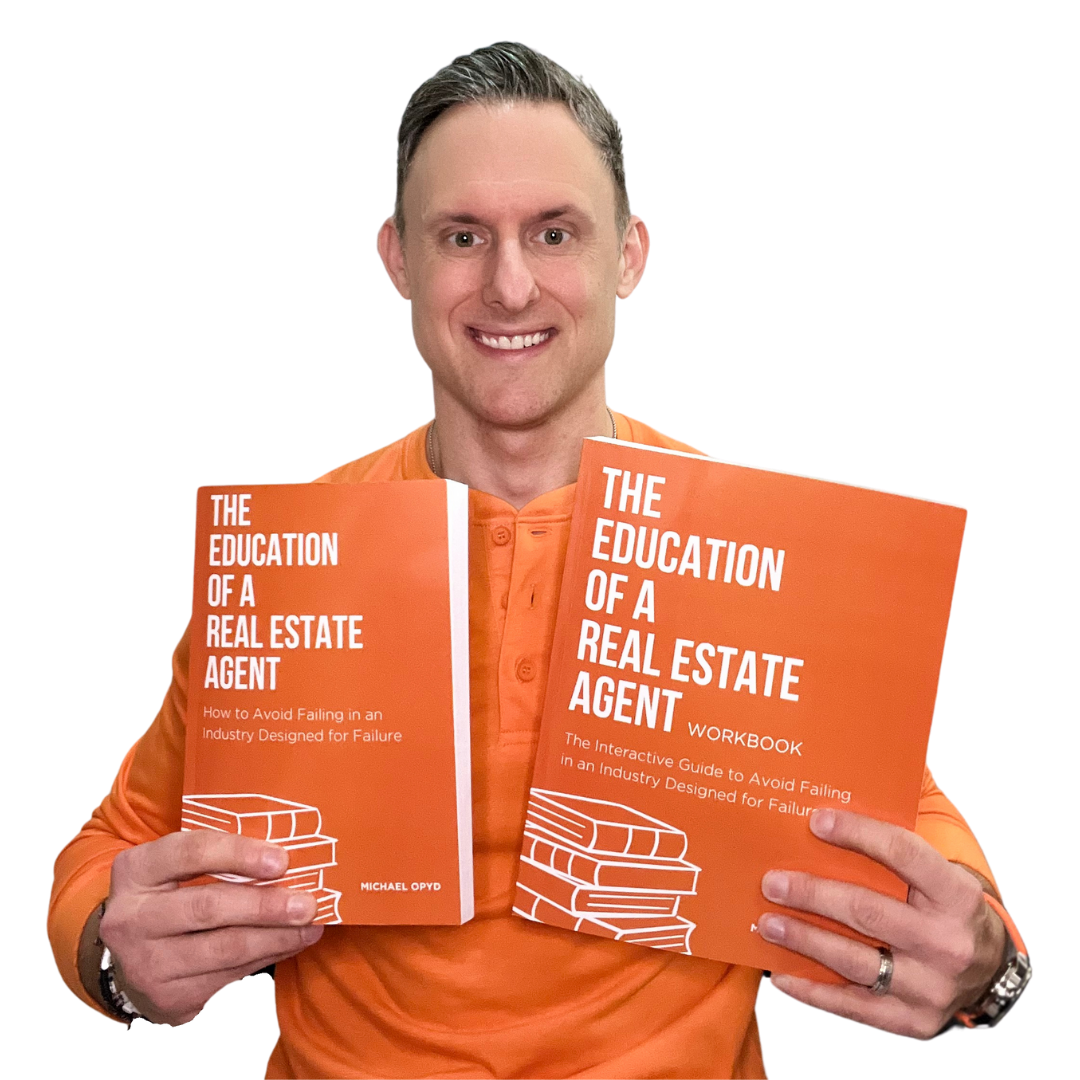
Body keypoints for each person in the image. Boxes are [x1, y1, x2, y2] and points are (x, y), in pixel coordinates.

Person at [48, 42, 1031, 1078]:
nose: (508, 286)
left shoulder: (749, 544)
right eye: (462, 235)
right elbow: (113, 841)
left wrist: (985, 969)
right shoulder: (298, 550)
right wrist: (109, 961)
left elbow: (909, 827)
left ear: (629, 255)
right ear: (398, 260)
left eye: (554, 233)